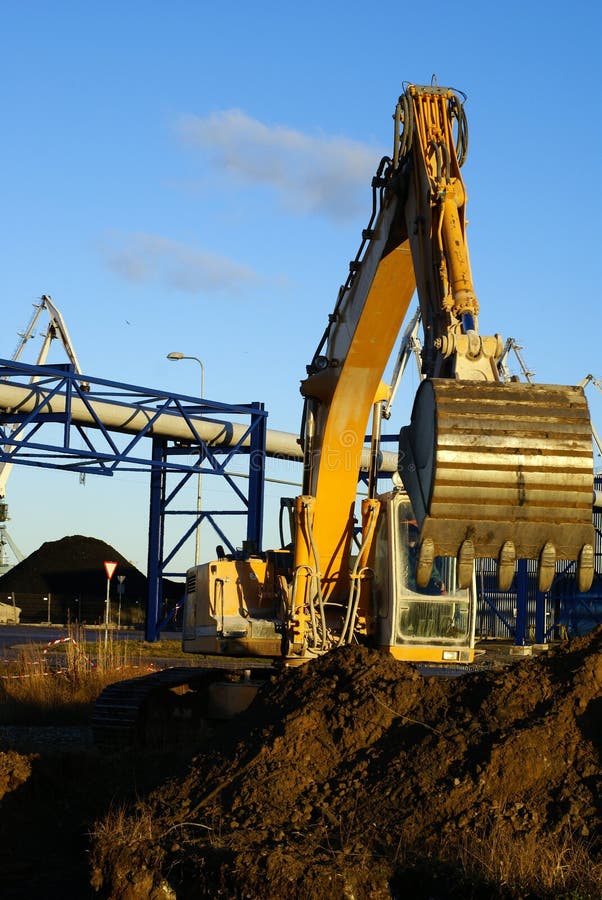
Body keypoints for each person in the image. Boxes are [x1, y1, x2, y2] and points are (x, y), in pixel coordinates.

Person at [406, 523, 445, 594]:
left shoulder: (423, 552)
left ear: (418, 537)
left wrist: (438, 580)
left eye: (414, 535)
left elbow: (432, 570)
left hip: (422, 588)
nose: (412, 537)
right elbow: (405, 577)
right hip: (408, 589)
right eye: (410, 535)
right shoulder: (402, 552)